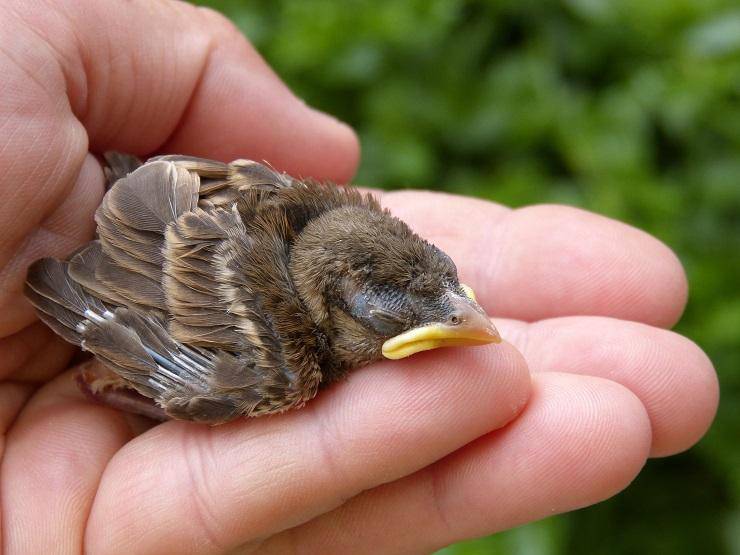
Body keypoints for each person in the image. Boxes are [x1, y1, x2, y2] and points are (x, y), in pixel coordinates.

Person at [0, 1, 719, 553]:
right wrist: (113, 352)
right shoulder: (284, 360)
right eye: (384, 314)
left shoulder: (338, 218)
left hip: (156, 201)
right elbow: (178, 355)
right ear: (335, 310)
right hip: (128, 251)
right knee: (230, 385)